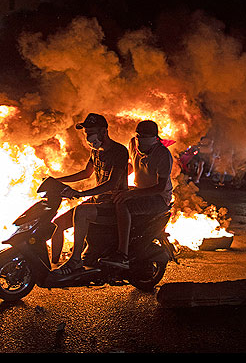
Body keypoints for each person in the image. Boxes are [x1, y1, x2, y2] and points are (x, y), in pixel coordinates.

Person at [51, 113, 129, 275]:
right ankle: (53, 266)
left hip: (114, 204)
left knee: (81, 211)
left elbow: (112, 184)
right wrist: (57, 181)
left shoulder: (119, 151)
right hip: (98, 201)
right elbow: (86, 173)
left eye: (91, 132)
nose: (88, 136)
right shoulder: (96, 151)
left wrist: (81, 194)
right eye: (86, 132)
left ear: (104, 131)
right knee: (57, 223)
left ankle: (75, 261)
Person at [104, 120, 173, 269]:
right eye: (139, 136)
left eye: (146, 137)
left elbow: (160, 187)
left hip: (159, 198)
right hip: (139, 189)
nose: (141, 140)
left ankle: (123, 254)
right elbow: (131, 165)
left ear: (155, 138)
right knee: (110, 196)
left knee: (123, 205)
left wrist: (132, 194)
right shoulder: (132, 144)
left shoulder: (163, 155)